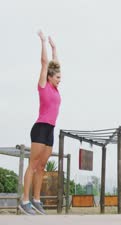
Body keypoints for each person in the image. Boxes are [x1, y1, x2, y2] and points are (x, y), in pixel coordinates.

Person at [19, 31, 61, 215]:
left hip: (50, 129)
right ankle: (25, 200)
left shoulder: (56, 89)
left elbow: (55, 64)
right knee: (33, 164)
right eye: (58, 77)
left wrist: (55, 48)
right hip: (40, 128)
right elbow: (45, 64)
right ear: (50, 77)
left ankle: (36, 199)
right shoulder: (43, 85)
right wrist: (44, 42)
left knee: (42, 167)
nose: (60, 79)